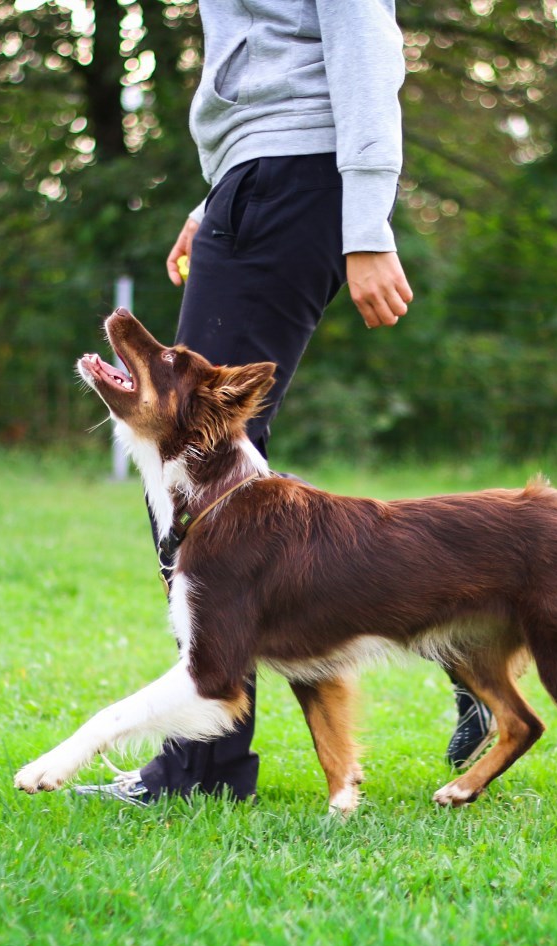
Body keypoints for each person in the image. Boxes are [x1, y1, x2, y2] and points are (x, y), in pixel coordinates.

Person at [75, 0, 495, 806]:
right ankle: (460, 627)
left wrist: (366, 221)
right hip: (260, 177)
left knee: (196, 461)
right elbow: (263, 53)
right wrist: (216, 197)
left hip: (293, 176)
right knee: (214, 469)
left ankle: (204, 769)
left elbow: (363, 39)